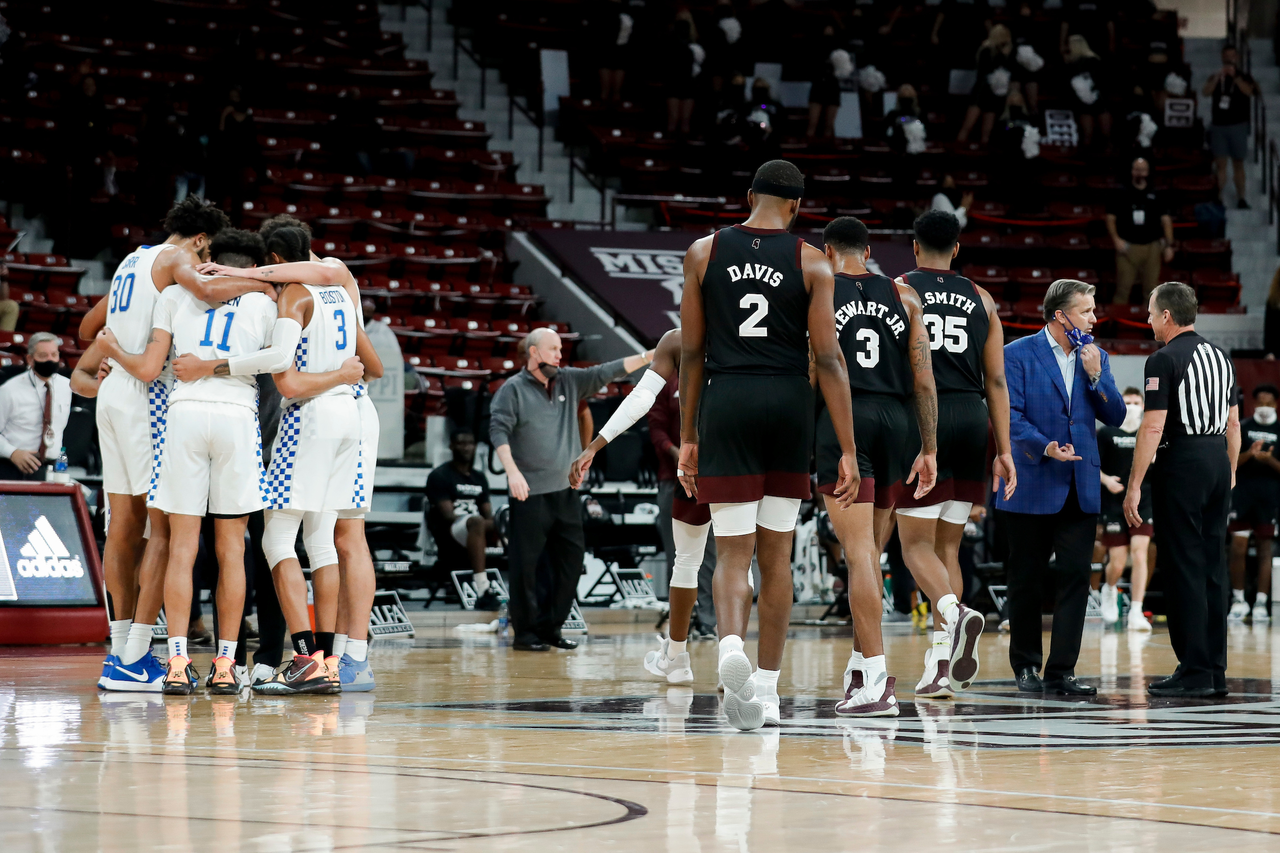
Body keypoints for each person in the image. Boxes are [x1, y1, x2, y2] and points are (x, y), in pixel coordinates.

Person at [678, 159, 859, 731]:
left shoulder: (702, 253)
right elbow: (828, 359)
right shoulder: (812, 261)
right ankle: (769, 689)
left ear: (749, 194)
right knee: (775, 554)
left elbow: (690, 352)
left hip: (726, 398)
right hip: (786, 405)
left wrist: (688, 434)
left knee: (731, 550)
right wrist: (847, 448)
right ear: (799, 207)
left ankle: (730, 642)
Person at [82, 197, 275, 690]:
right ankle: (137, 653)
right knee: (163, 533)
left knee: (123, 524)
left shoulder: (132, 259)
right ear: (202, 240)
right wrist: (262, 279)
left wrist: (111, 349)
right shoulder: (175, 262)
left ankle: (121, 645)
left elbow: (87, 329)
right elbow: (210, 292)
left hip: (113, 394)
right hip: (154, 393)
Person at [196, 221, 385, 692]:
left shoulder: (293, 297)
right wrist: (345, 375)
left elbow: (289, 382)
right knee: (325, 541)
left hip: (312, 419)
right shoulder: (343, 285)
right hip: (353, 419)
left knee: (277, 540)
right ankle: (335, 656)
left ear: (275, 261)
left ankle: (305, 657)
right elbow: (372, 367)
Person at [817, 216, 938, 718]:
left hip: (848, 417)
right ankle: (858, 663)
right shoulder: (905, 295)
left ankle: (875, 676)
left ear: (828, 252)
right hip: (899, 422)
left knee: (859, 554)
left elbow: (816, 364)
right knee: (872, 553)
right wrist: (929, 447)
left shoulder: (821, 292)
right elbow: (925, 380)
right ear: (868, 251)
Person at [894, 210, 1016, 700]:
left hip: (927, 418)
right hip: (973, 419)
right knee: (948, 547)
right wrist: (1003, 449)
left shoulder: (899, 288)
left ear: (915, 246)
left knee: (913, 545)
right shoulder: (982, 298)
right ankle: (941, 664)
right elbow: (998, 381)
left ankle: (955, 614)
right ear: (958, 249)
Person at [570, 329, 735, 684]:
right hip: (720, 465)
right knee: (731, 562)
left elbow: (640, 397)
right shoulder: (747, 335)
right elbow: (651, 413)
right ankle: (733, 660)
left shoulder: (678, 340)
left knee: (693, 561)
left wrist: (595, 446)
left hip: (706, 464)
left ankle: (679, 657)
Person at [998, 279, 1126, 695]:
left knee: (1075, 576)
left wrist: (1097, 377)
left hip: (1080, 485)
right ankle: (1026, 667)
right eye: (1086, 311)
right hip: (1032, 479)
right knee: (1026, 579)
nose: (1094, 318)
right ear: (1060, 316)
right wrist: (1045, 446)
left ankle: (1063, 670)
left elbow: (1117, 416)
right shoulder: (1015, 354)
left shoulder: (1097, 356)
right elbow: (1008, 415)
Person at [490, 329, 653, 652]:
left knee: (570, 562)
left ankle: (551, 627)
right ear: (534, 352)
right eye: (553, 349)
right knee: (526, 568)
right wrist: (512, 473)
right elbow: (498, 431)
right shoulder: (512, 390)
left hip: (565, 493)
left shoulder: (568, 380)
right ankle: (525, 634)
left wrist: (650, 356)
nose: (559, 355)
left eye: (561, 349)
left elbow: (607, 371)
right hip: (529, 493)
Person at [1126, 282, 1240, 698]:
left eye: (1152, 314)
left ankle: (1193, 670)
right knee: (1213, 565)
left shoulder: (1163, 359)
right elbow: (1233, 424)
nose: (1149, 320)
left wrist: (1135, 484)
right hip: (1216, 459)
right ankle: (1215, 671)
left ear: (1168, 317)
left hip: (1183, 462)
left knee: (1184, 565)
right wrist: (1229, 472)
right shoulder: (1221, 356)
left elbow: (1153, 426)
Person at [1097, 387, 1154, 632]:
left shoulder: (1151, 432)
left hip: (1145, 500)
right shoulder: (1107, 432)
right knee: (1118, 562)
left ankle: (1136, 610)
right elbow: (1092, 464)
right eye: (1127, 402)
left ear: (1143, 405)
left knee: (1141, 553)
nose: (1132, 406)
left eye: (1136, 402)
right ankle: (1109, 589)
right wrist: (1107, 480)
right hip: (1114, 501)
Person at [426, 429, 500, 611]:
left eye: (470, 443)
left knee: (511, 519)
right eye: (461, 443)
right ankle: (483, 589)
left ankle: (530, 592)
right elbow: (447, 516)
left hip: (477, 529)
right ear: (451, 446)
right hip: (452, 531)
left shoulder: (479, 477)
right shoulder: (440, 475)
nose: (466, 447)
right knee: (475, 521)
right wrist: (477, 521)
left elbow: (487, 514)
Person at [1227, 384, 1280, 624]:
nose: (1265, 408)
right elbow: (1231, 462)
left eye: (1269, 403)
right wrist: (1251, 454)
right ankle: (1238, 600)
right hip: (1241, 496)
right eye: (1261, 402)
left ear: (1276, 405)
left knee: (1265, 549)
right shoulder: (1244, 427)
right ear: (1254, 404)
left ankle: (1261, 602)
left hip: (1269, 499)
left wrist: (1269, 461)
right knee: (1237, 548)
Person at [0, 333, 71, 481]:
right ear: (30, 359)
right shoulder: (10, 390)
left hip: (49, 469)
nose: (50, 359)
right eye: (43, 355)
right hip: (12, 467)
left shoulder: (67, 387)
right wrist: (12, 452)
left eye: (54, 354)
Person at [1106, 158, 1174, 306]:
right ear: (1131, 171)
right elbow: (1110, 218)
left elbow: (1166, 221)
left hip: (1152, 248)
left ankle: (1149, 327)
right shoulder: (1120, 193)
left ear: (1148, 172)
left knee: (1151, 291)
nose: (1140, 173)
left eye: (1143, 170)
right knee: (1123, 289)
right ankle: (1119, 325)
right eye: (1137, 169)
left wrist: (1169, 245)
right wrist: (1116, 239)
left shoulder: (1157, 193)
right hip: (1127, 248)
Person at [1203, 44, 1255, 209]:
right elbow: (1205, 92)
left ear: (1237, 58)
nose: (1229, 59)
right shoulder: (1216, 76)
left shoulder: (1244, 76)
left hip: (1238, 125)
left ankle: (1241, 198)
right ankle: (1218, 197)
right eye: (1226, 56)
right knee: (1220, 164)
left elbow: (1249, 91)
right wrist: (1218, 79)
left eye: (1232, 56)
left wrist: (1236, 78)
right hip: (1219, 125)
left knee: (1238, 163)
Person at [960, 24, 1016, 145]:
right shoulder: (986, 50)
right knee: (967, 126)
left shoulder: (1009, 53)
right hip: (981, 92)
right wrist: (1002, 56)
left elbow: (1010, 71)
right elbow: (987, 70)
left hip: (994, 94)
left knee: (986, 131)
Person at [1063, 35, 1110, 149]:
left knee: (1093, 136)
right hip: (1089, 100)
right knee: (1094, 137)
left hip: (1093, 99)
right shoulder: (1092, 60)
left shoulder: (1079, 63)